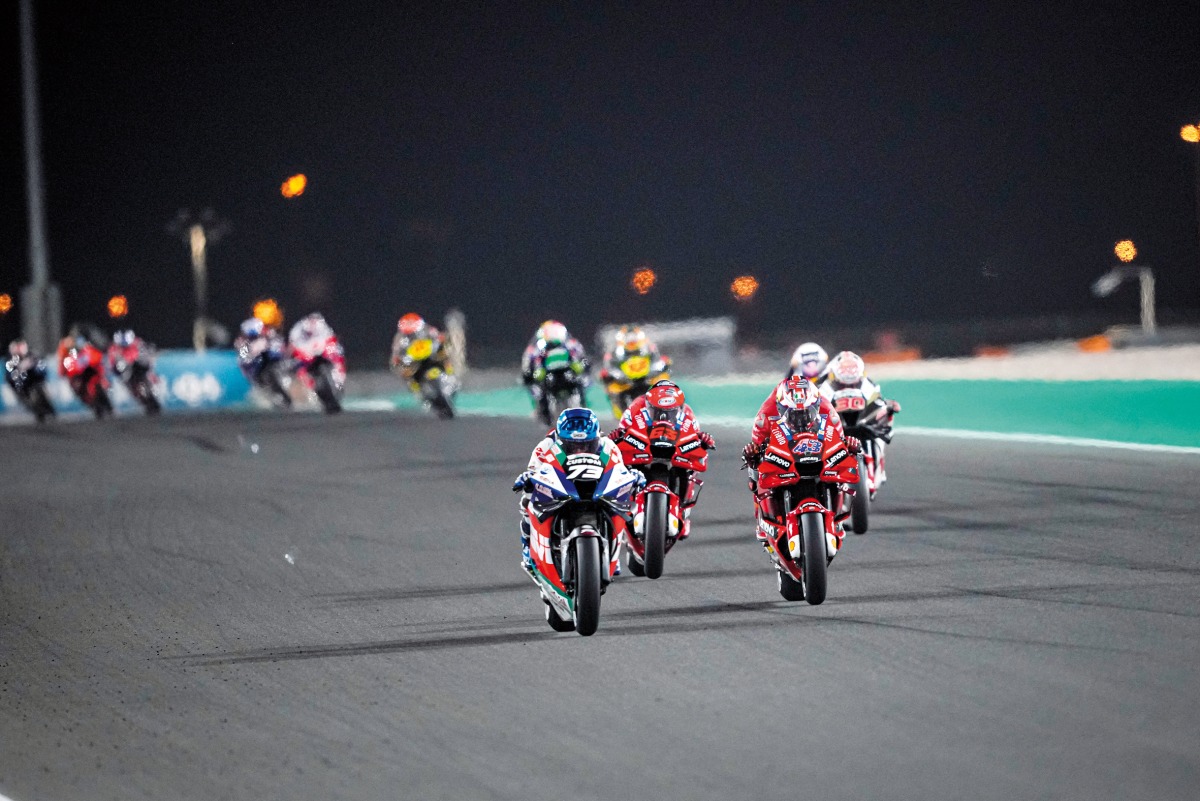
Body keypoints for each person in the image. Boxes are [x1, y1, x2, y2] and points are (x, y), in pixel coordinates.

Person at [741, 375, 861, 553]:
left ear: (815, 405)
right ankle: (762, 517)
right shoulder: (766, 413)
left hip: (813, 449)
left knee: (841, 466)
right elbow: (757, 446)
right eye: (794, 413)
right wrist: (754, 455)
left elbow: (838, 440)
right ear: (781, 408)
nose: (800, 418)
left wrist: (848, 445)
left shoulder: (827, 408)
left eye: (806, 412)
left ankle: (837, 512)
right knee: (757, 470)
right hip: (782, 449)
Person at [511, 407, 634, 575]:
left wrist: (633, 476)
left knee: (622, 503)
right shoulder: (547, 444)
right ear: (561, 439)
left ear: (596, 438)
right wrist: (528, 477)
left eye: (586, 445)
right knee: (527, 499)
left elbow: (619, 468)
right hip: (563, 487)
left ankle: (613, 553)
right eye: (573, 446)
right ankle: (527, 545)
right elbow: (534, 470)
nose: (579, 450)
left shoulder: (608, 445)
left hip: (595, 488)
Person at [607, 379, 715, 540]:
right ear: (649, 404)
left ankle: (682, 510)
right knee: (620, 467)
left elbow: (695, 433)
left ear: (678, 407)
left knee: (689, 470)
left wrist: (703, 440)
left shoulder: (687, 413)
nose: (664, 415)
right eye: (658, 411)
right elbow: (623, 428)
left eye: (670, 411)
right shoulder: (637, 406)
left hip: (673, 448)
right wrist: (617, 436)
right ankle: (623, 504)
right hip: (644, 449)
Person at [818, 350, 901, 483]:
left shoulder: (869, 385)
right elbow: (816, 407)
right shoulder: (823, 387)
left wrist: (889, 407)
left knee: (880, 435)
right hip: (837, 429)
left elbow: (879, 403)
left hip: (863, 425)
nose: (848, 386)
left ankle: (878, 469)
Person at [520, 319, 590, 419]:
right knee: (539, 391)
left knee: (581, 383)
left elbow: (582, 358)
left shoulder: (570, 344)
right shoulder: (538, 347)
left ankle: (583, 407)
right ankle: (544, 413)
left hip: (567, 371)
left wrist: (582, 365)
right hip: (547, 375)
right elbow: (528, 362)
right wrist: (528, 374)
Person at [598, 325, 672, 417]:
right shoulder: (615, 350)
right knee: (611, 385)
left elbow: (658, 360)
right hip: (625, 380)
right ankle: (622, 412)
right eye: (628, 338)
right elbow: (609, 365)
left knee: (664, 381)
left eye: (633, 337)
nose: (631, 341)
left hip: (647, 377)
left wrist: (662, 364)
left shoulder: (648, 347)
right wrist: (611, 374)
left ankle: (669, 408)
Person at [390, 313, 454, 387]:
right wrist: (398, 361)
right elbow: (396, 355)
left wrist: (441, 339)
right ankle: (415, 387)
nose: (413, 335)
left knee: (444, 355)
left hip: (430, 354)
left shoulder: (428, 330)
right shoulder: (400, 339)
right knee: (406, 373)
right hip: (415, 360)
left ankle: (450, 374)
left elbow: (439, 337)